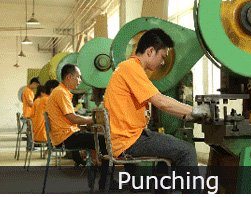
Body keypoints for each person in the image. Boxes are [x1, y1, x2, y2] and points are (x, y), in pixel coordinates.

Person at [103, 28, 204, 173]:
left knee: (168, 146)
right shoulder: (131, 68)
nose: (163, 62)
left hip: (127, 138)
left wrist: (188, 113)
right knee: (187, 151)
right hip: (129, 140)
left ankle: (162, 191)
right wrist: (196, 111)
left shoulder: (129, 68)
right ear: (150, 51)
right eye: (162, 57)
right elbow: (161, 101)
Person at [45, 64, 101, 167]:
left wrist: (87, 121)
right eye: (78, 77)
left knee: (90, 135)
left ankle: (90, 162)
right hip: (65, 137)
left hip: (62, 135)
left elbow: (71, 118)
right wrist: (94, 119)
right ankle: (103, 173)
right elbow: (73, 118)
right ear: (69, 77)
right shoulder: (61, 93)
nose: (80, 80)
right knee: (101, 140)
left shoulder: (61, 91)